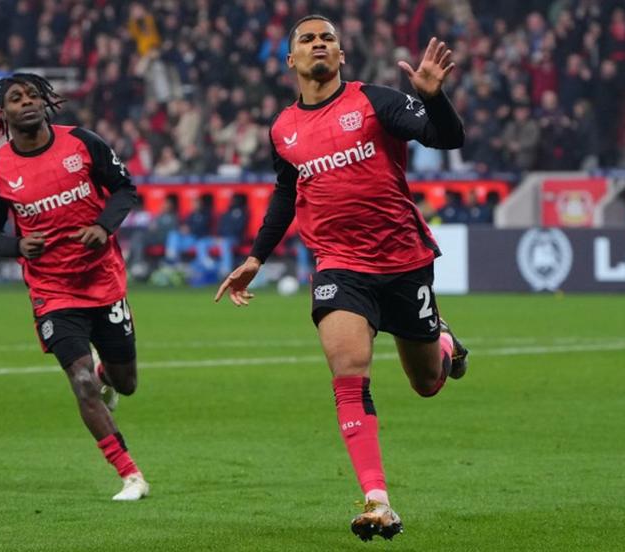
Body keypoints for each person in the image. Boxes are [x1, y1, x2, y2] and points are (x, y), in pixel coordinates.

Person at [215, 15, 468, 541]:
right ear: (291, 59)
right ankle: (378, 501)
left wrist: (433, 97)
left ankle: (442, 341)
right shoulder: (283, 128)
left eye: (327, 38)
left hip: (403, 260)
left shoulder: (376, 102)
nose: (318, 44)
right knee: (348, 375)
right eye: (307, 39)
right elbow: (286, 192)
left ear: (341, 55)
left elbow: (447, 137)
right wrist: (257, 258)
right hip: (338, 265)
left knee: (426, 384)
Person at [0, 73, 149, 501]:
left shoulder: (82, 143)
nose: (27, 102)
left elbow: (125, 189)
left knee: (125, 383)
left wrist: (103, 227)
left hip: (104, 281)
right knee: (81, 381)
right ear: (4, 112)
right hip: (52, 292)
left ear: (45, 103)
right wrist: (17, 245)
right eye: (16, 98)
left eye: (33, 95)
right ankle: (131, 475)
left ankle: (107, 374)